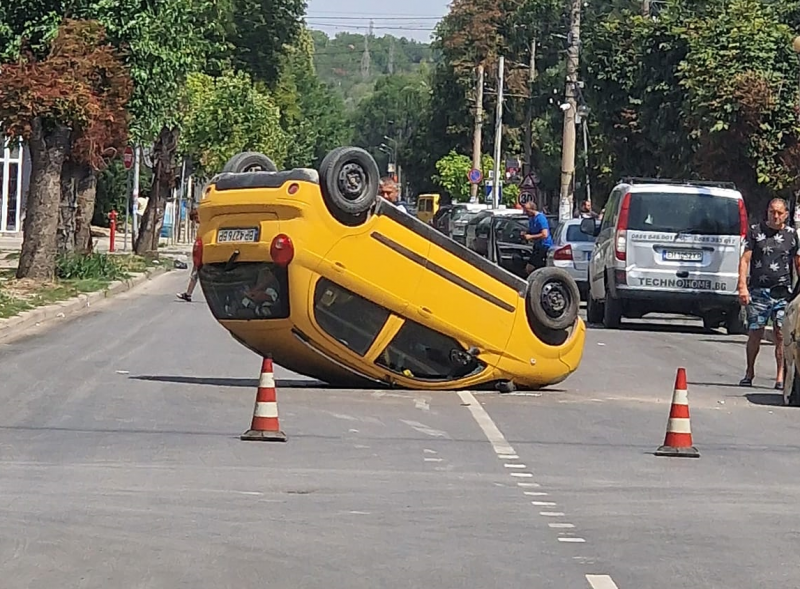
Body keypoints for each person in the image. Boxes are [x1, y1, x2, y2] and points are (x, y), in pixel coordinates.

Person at [738, 198, 800, 389]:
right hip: (759, 291)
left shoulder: (791, 235)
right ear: (767, 212)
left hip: (783, 292)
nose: (775, 216)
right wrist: (742, 286)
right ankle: (749, 372)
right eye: (772, 212)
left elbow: (797, 262)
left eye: (779, 213)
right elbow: (745, 260)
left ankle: (780, 376)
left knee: (781, 334)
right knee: (755, 332)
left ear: (786, 215)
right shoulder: (756, 232)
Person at [522, 201, 553, 275]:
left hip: (544, 247)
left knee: (531, 268)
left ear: (532, 209)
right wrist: (526, 233)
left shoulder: (540, 218)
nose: (525, 213)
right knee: (530, 268)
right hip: (537, 246)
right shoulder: (531, 218)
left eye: (527, 211)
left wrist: (531, 237)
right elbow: (533, 230)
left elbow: (545, 234)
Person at [177, 207, 200, 302]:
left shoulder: (206, 225)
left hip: (203, 255)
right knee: (194, 274)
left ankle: (188, 294)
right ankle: (188, 294)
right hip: (199, 255)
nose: (196, 221)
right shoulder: (203, 226)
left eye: (196, 218)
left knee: (195, 274)